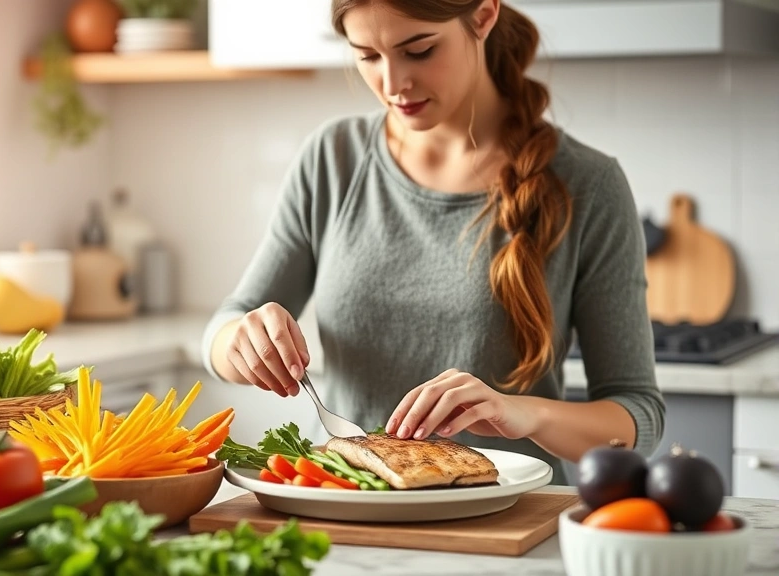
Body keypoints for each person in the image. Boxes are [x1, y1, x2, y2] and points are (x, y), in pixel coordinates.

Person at [200, 0, 665, 484]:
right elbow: (224, 326)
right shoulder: (333, 158)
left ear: (484, 16)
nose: (392, 83)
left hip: (509, 527)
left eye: (418, 50)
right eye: (367, 56)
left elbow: (638, 415)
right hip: (350, 518)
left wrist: (524, 414)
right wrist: (241, 341)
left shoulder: (589, 183)